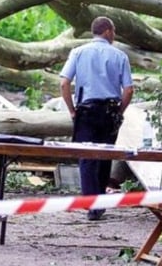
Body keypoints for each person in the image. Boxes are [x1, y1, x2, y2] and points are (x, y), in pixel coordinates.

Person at [59, 16, 134, 221]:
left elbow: (64, 83)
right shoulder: (120, 56)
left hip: (86, 110)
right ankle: (99, 201)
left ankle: (91, 204)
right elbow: (128, 90)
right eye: (114, 31)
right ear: (108, 31)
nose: (115, 35)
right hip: (110, 111)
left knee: (86, 156)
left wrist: (72, 110)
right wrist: (120, 112)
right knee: (104, 156)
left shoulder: (78, 52)